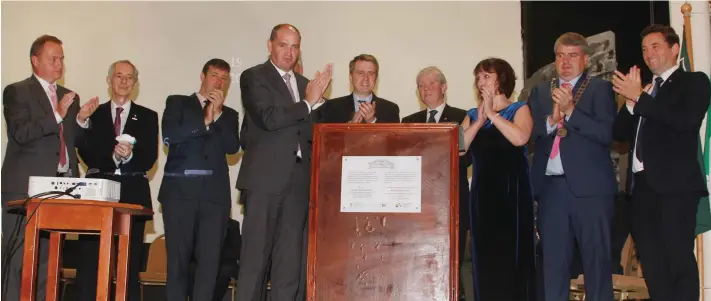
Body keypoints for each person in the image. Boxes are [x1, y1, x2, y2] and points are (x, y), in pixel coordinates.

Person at [612, 24, 710, 301]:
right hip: (641, 191)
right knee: (653, 268)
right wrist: (632, 102)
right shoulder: (643, 91)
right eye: (644, 48)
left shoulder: (694, 82)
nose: (648, 53)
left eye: (655, 46)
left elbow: (685, 121)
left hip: (675, 189)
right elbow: (618, 134)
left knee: (678, 263)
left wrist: (640, 98)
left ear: (674, 48)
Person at [235, 23, 332, 301]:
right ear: (270, 45)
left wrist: (319, 107)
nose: (290, 52)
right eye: (283, 45)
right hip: (264, 182)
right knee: (255, 263)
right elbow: (268, 118)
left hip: (299, 183)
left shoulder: (305, 86)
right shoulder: (254, 77)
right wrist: (307, 104)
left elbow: (313, 133)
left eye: (295, 46)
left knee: (290, 267)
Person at [1, 34, 98, 301]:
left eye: (62, 59)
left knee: (49, 263)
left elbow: (73, 142)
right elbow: (20, 133)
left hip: (60, 189)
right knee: (17, 261)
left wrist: (80, 120)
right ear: (35, 60)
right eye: (53, 58)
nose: (59, 64)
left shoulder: (69, 97)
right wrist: (56, 114)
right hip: (23, 189)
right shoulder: (17, 91)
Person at [529, 32, 617, 301]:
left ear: (586, 59)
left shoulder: (600, 89)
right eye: (560, 56)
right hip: (552, 190)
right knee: (552, 265)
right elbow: (530, 135)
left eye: (572, 55)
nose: (565, 62)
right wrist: (550, 121)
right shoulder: (542, 92)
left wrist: (570, 112)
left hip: (591, 191)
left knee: (596, 264)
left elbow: (606, 133)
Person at [74, 60, 158, 301]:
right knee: (90, 263)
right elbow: (84, 152)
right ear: (109, 80)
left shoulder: (148, 116)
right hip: (98, 195)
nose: (123, 81)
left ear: (135, 83)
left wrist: (129, 156)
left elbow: (150, 157)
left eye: (129, 77)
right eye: (118, 76)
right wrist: (112, 156)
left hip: (133, 195)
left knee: (129, 265)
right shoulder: (93, 114)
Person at [158, 58, 240, 301]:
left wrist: (218, 115)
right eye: (215, 76)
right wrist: (205, 120)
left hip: (214, 199)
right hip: (180, 195)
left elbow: (232, 147)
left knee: (210, 265)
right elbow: (170, 135)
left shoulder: (230, 114)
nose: (219, 82)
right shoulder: (178, 103)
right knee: (178, 262)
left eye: (224, 79)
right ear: (203, 76)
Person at [459, 57, 536, 301]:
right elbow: (459, 149)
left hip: (512, 194)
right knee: (485, 259)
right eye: (478, 77)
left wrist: (492, 114)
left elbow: (520, 138)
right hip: (483, 196)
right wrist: (480, 120)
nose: (480, 81)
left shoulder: (519, 108)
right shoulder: (472, 114)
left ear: (501, 79)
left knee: (512, 259)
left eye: (486, 76)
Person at [400, 66, 473, 300]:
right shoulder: (409, 121)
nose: (426, 89)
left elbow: (467, 157)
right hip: (420, 203)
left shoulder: (462, 115)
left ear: (444, 86)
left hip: (453, 200)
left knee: (454, 262)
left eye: (431, 84)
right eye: (421, 85)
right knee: (422, 264)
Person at [320, 54, 399, 123]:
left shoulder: (391, 109)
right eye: (360, 73)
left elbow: (391, 140)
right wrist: (351, 126)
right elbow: (328, 138)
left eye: (370, 73)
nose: (366, 78)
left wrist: (372, 122)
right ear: (351, 77)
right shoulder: (332, 107)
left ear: (376, 78)